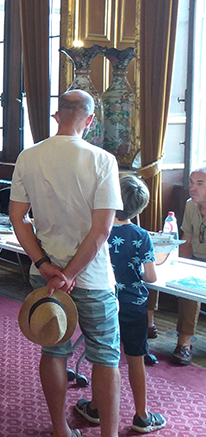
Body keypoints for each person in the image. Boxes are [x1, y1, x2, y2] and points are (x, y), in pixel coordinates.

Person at [9, 90, 122, 437]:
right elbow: (102, 230)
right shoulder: (102, 160)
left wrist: (45, 266)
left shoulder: (29, 156)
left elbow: (18, 219)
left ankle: (60, 429)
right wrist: (70, 274)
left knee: (54, 350)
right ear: (90, 120)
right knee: (106, 358)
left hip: (45, 274)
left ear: (56, 116)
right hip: (92, 277)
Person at [75, 175, 166, 433]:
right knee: (136, 358)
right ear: (140, 208)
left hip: (103, 301)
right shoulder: (141, 235)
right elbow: (150, 276)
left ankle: (95, 407)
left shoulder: (96, 229)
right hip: (133, 306)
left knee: (103, 358)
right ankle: (142, 415)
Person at [169, 165, 206, 364]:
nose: (193, 187)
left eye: (200, 183)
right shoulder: (191, 205)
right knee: (187, 286)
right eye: (191, 182)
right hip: (196, 261)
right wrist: (181, 269)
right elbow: (187, 240)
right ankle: (184, 342)